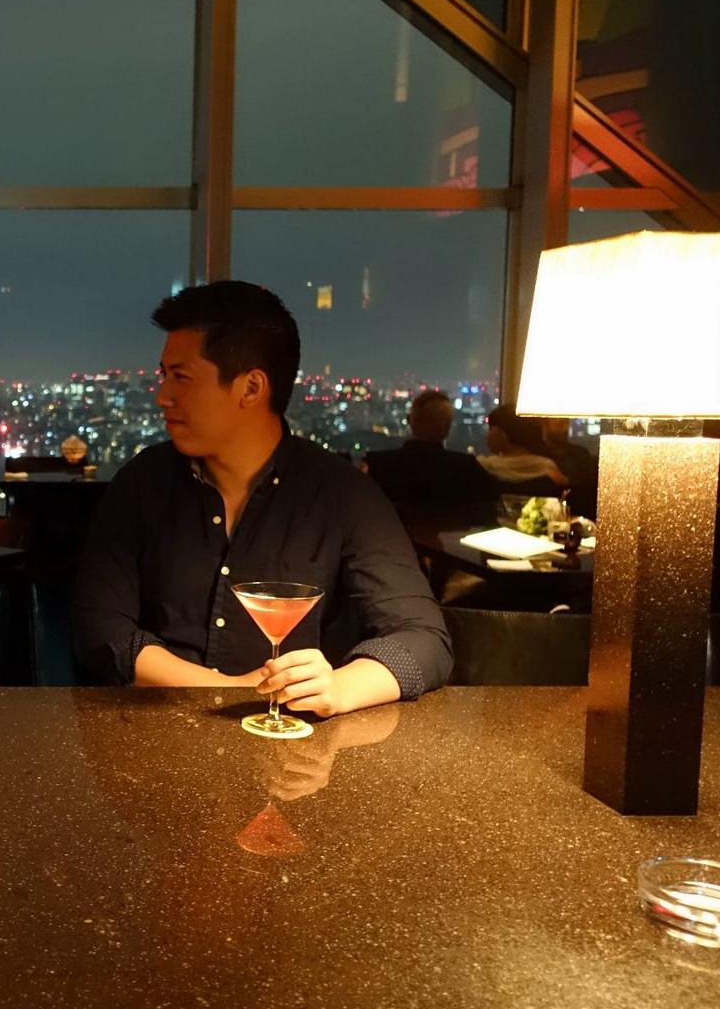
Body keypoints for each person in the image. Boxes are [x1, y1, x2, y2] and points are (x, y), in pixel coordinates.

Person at [74, 281, 451, 715]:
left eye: (181, 377)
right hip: (152, 733)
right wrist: (230, 689)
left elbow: (425, 639)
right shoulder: (143, 483)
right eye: (164, 376)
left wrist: (339, 688)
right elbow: (101, 631)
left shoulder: (340, 494)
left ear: (251, 388)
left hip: (294, 759)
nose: (162, 396)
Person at [364, 389, 498, 526]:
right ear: (447, 427)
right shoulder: (468, 469)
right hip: (453, 546)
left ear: (409, 421)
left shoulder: (379, 466)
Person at [477, 404, 567, 491]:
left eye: (490, 429)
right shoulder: (548, 467)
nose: (487, 436)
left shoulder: (486, 467)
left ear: (501, 433)